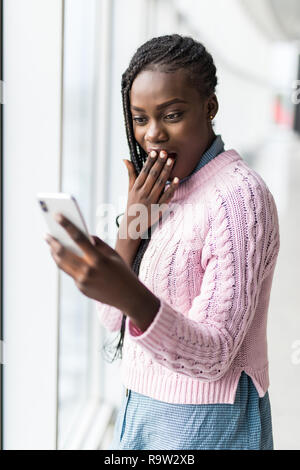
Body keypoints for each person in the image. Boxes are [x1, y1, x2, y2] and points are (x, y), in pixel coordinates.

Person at [45, 34, 280, 450]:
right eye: (139, 119)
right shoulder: (162, 192)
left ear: (210, 108)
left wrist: (131, 295)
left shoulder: (240, 198)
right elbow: (112, 320)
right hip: (142, 408)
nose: (153, 134)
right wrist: (130, 228)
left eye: (171, 115)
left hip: (208, 422)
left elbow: (215, 355)